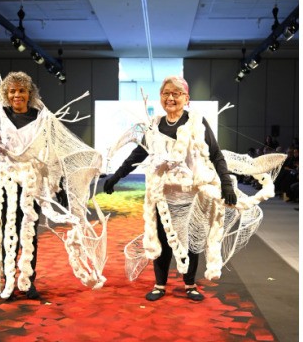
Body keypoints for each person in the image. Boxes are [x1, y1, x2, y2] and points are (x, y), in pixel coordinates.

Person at [103, 75, 282, 301]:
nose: (170, 98)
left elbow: (215, 154)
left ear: (186, 98)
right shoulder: (155, 125)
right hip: (163, 196)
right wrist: (116, 176)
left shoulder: (197, 122)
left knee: (192, 240)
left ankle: (189, 285)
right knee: (162, 239)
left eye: (176, 94)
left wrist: (226, 182)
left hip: (192, 195)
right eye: (166, 93)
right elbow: (138, 154)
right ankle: (159, 284)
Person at [0, 71, 106, 301]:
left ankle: (28, 282)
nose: (17, 95)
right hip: (5, 183)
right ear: (6, 93)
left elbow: (55, 151)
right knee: (7, 231)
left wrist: (63, 183)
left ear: (29, 93)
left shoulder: (42, 117)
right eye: (12, 91)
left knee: (30, 233)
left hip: (31, 182)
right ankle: (9, 279)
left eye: (21, 91)